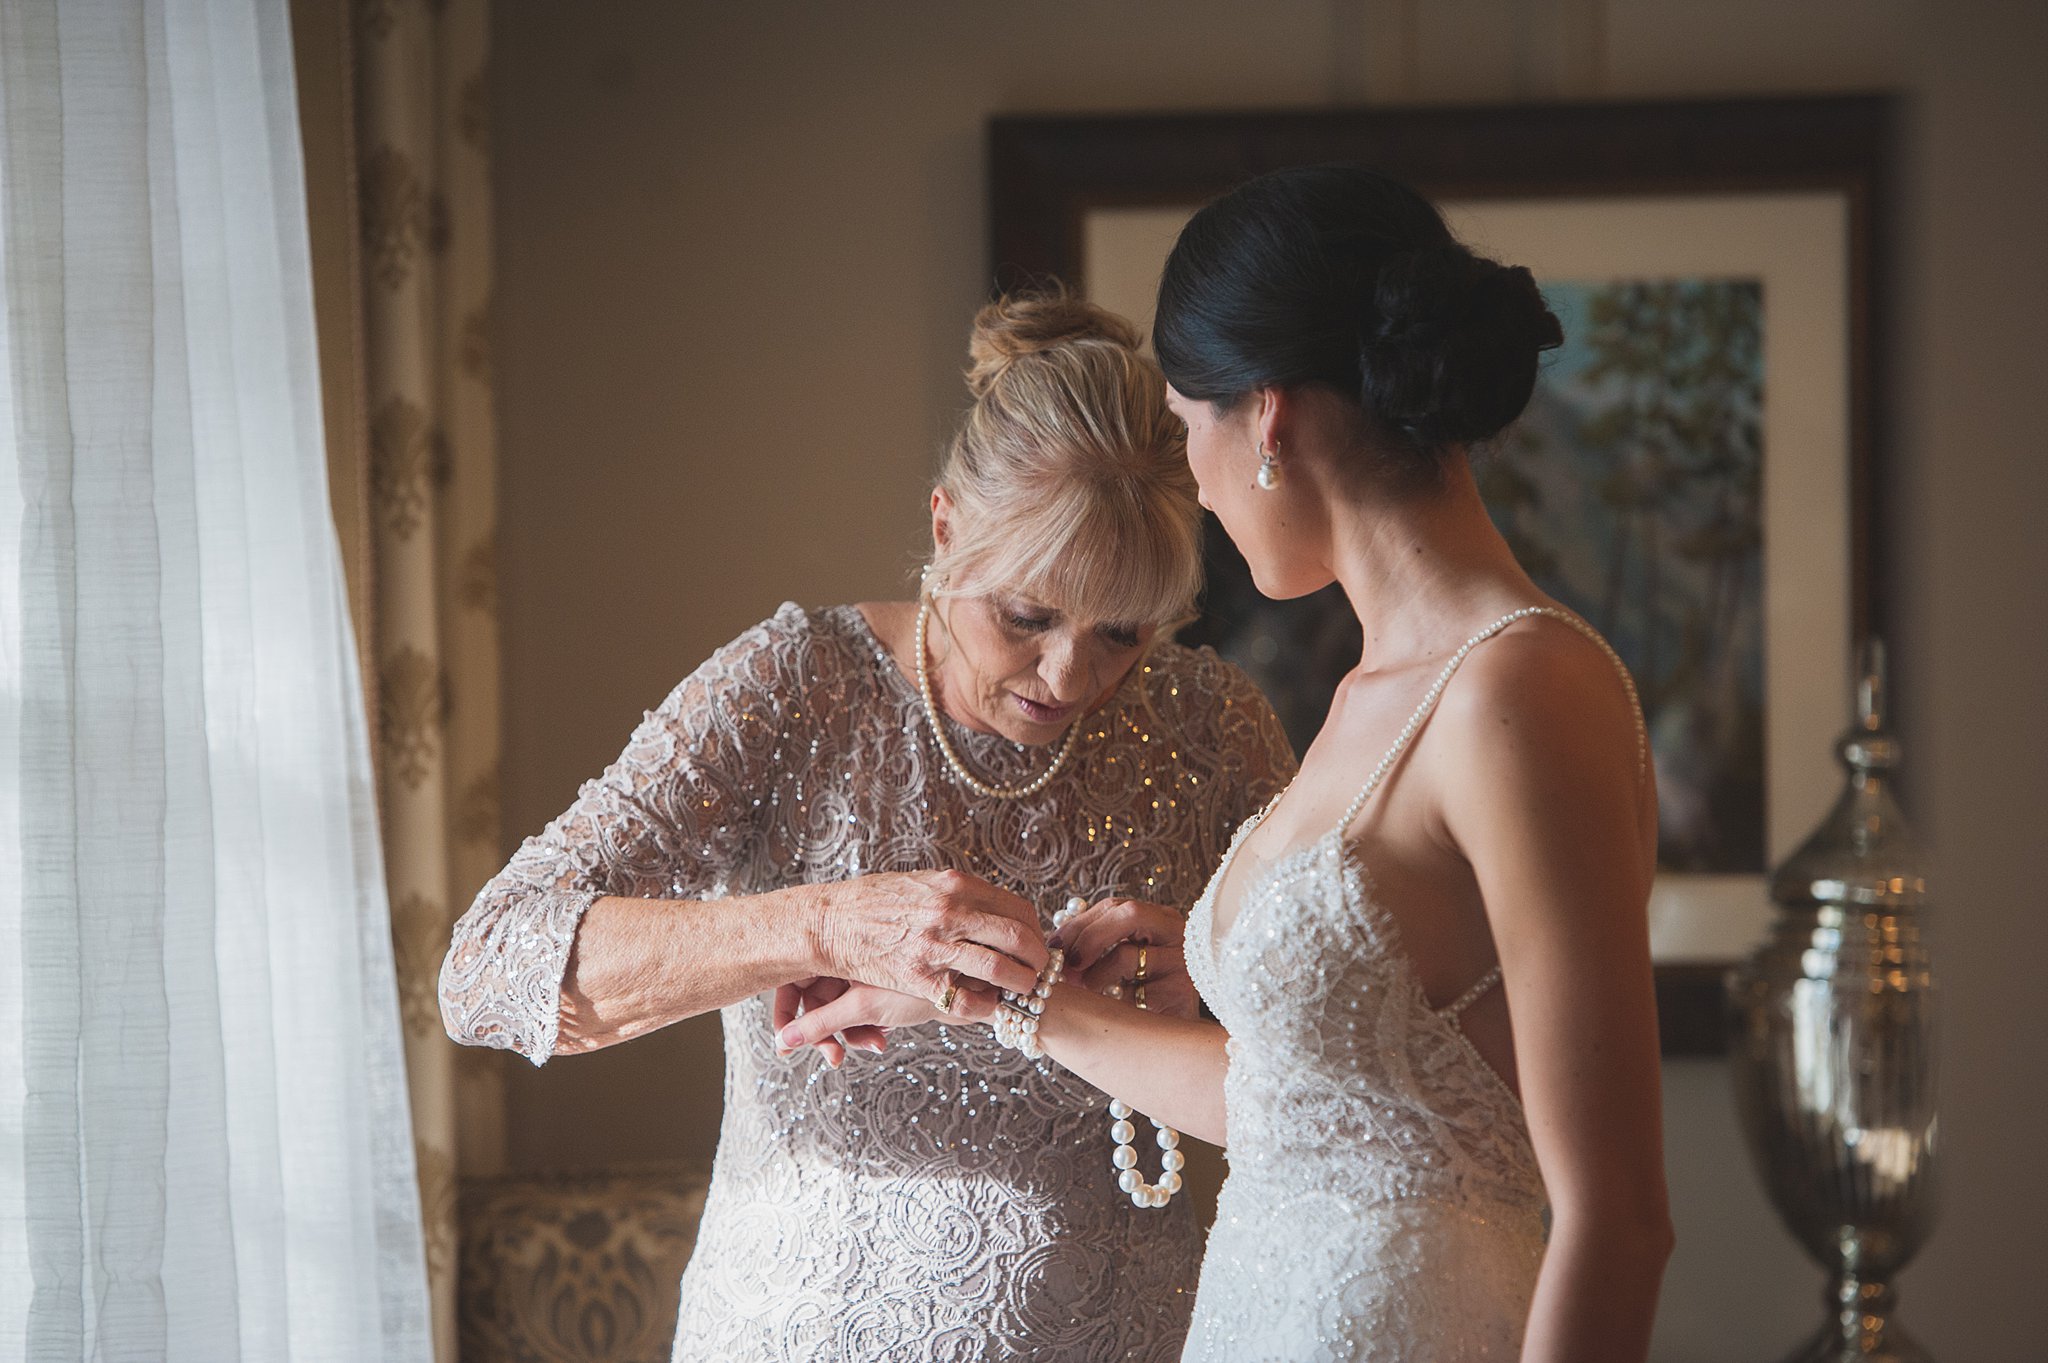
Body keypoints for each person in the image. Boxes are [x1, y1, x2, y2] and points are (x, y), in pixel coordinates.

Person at [784, 166, 1674, 1362]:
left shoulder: (1518, 687)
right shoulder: (1366, 699)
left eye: (1186, 423)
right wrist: (991, 996)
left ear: (1265, 418)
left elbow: (1615, 1219)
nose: (1192, 481)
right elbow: (1310, 1120)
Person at [439, 290, 1296, 1362]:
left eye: (1121, 631)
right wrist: (827, 923)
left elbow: (1349, 1072)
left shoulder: (1212, 728)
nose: (1069, 676)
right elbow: (484, 969)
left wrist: (1214, 979)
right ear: (945, 528)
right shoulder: (796, 684)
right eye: (1025, 615)